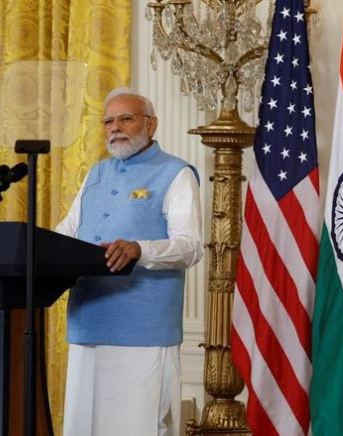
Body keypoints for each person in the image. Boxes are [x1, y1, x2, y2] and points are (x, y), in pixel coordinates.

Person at [55, 87, 204, 436]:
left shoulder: (176, 173)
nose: (115, 127)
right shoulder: (96, 173)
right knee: (83, 428)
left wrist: (141, 249)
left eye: (126, 118)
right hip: (87, 324)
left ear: (150, 125)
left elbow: (191, 246)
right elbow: (66, 231)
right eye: (108, 121)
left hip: (144, 330)